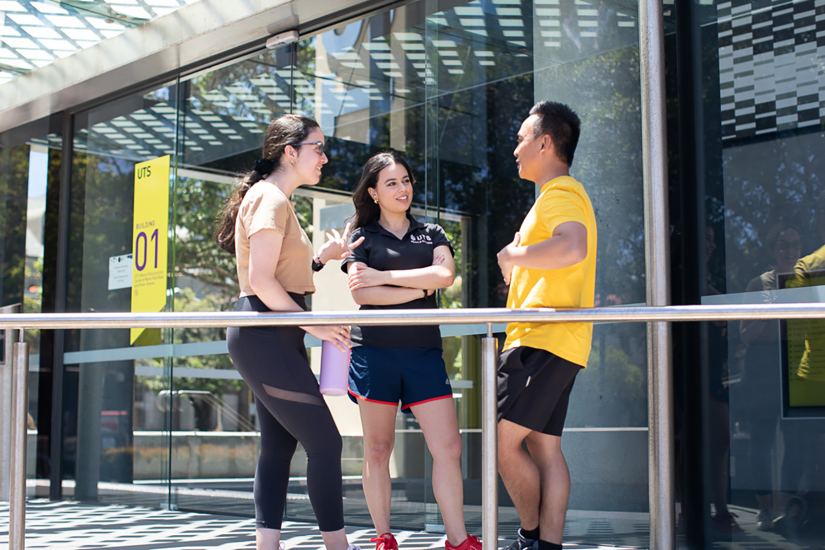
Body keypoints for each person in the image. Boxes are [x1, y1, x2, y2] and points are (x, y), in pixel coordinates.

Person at [216, 114, 364, 550]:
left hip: (274, 331)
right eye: (317, 147)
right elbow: (260, 280)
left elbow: (277, 273)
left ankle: (268, 546)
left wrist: (319, 259)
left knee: (279, 447)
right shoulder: (270, 199)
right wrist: (313, 323)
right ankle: (337, 545)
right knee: (325, 441)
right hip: (265, 330)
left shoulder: (276, 199)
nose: (324, 156)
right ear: (290, 151)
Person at [342, 152, 481, 550]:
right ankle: (383, 536)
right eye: (391, 183)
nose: (402, 188)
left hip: (423, 353)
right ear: (373, 191)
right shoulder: (360, 236)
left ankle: (459, 539)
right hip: (374, 353)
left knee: (449, 447)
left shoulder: (432, 233)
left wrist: (386, 277)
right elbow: (360, 291)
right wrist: (420, 289)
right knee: (378, 448)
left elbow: (445, 275)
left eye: (406, 180)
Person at [495, 101, 596, 550]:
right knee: (545, 448)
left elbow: (572, 247)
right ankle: (546, 546)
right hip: (561, 341)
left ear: (545, 142)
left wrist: (512, 255)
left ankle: (530, 537)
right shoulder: (555, 197)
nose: (515, 148)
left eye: (521, 138)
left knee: (500, 444)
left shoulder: (560, 193)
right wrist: (516, 267)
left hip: (541, 340)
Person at [739, 224, 801, 531]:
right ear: (772, 249)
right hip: (762, 365)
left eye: (795, 245)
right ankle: (764, 508)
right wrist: (768, 310)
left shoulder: (805, 282)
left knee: (796, 440)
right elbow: (745, 335)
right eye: (783, 245)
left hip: (795, 363)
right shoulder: (758, 284)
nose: (789, 252)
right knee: (761, 440)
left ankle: (786, 507)